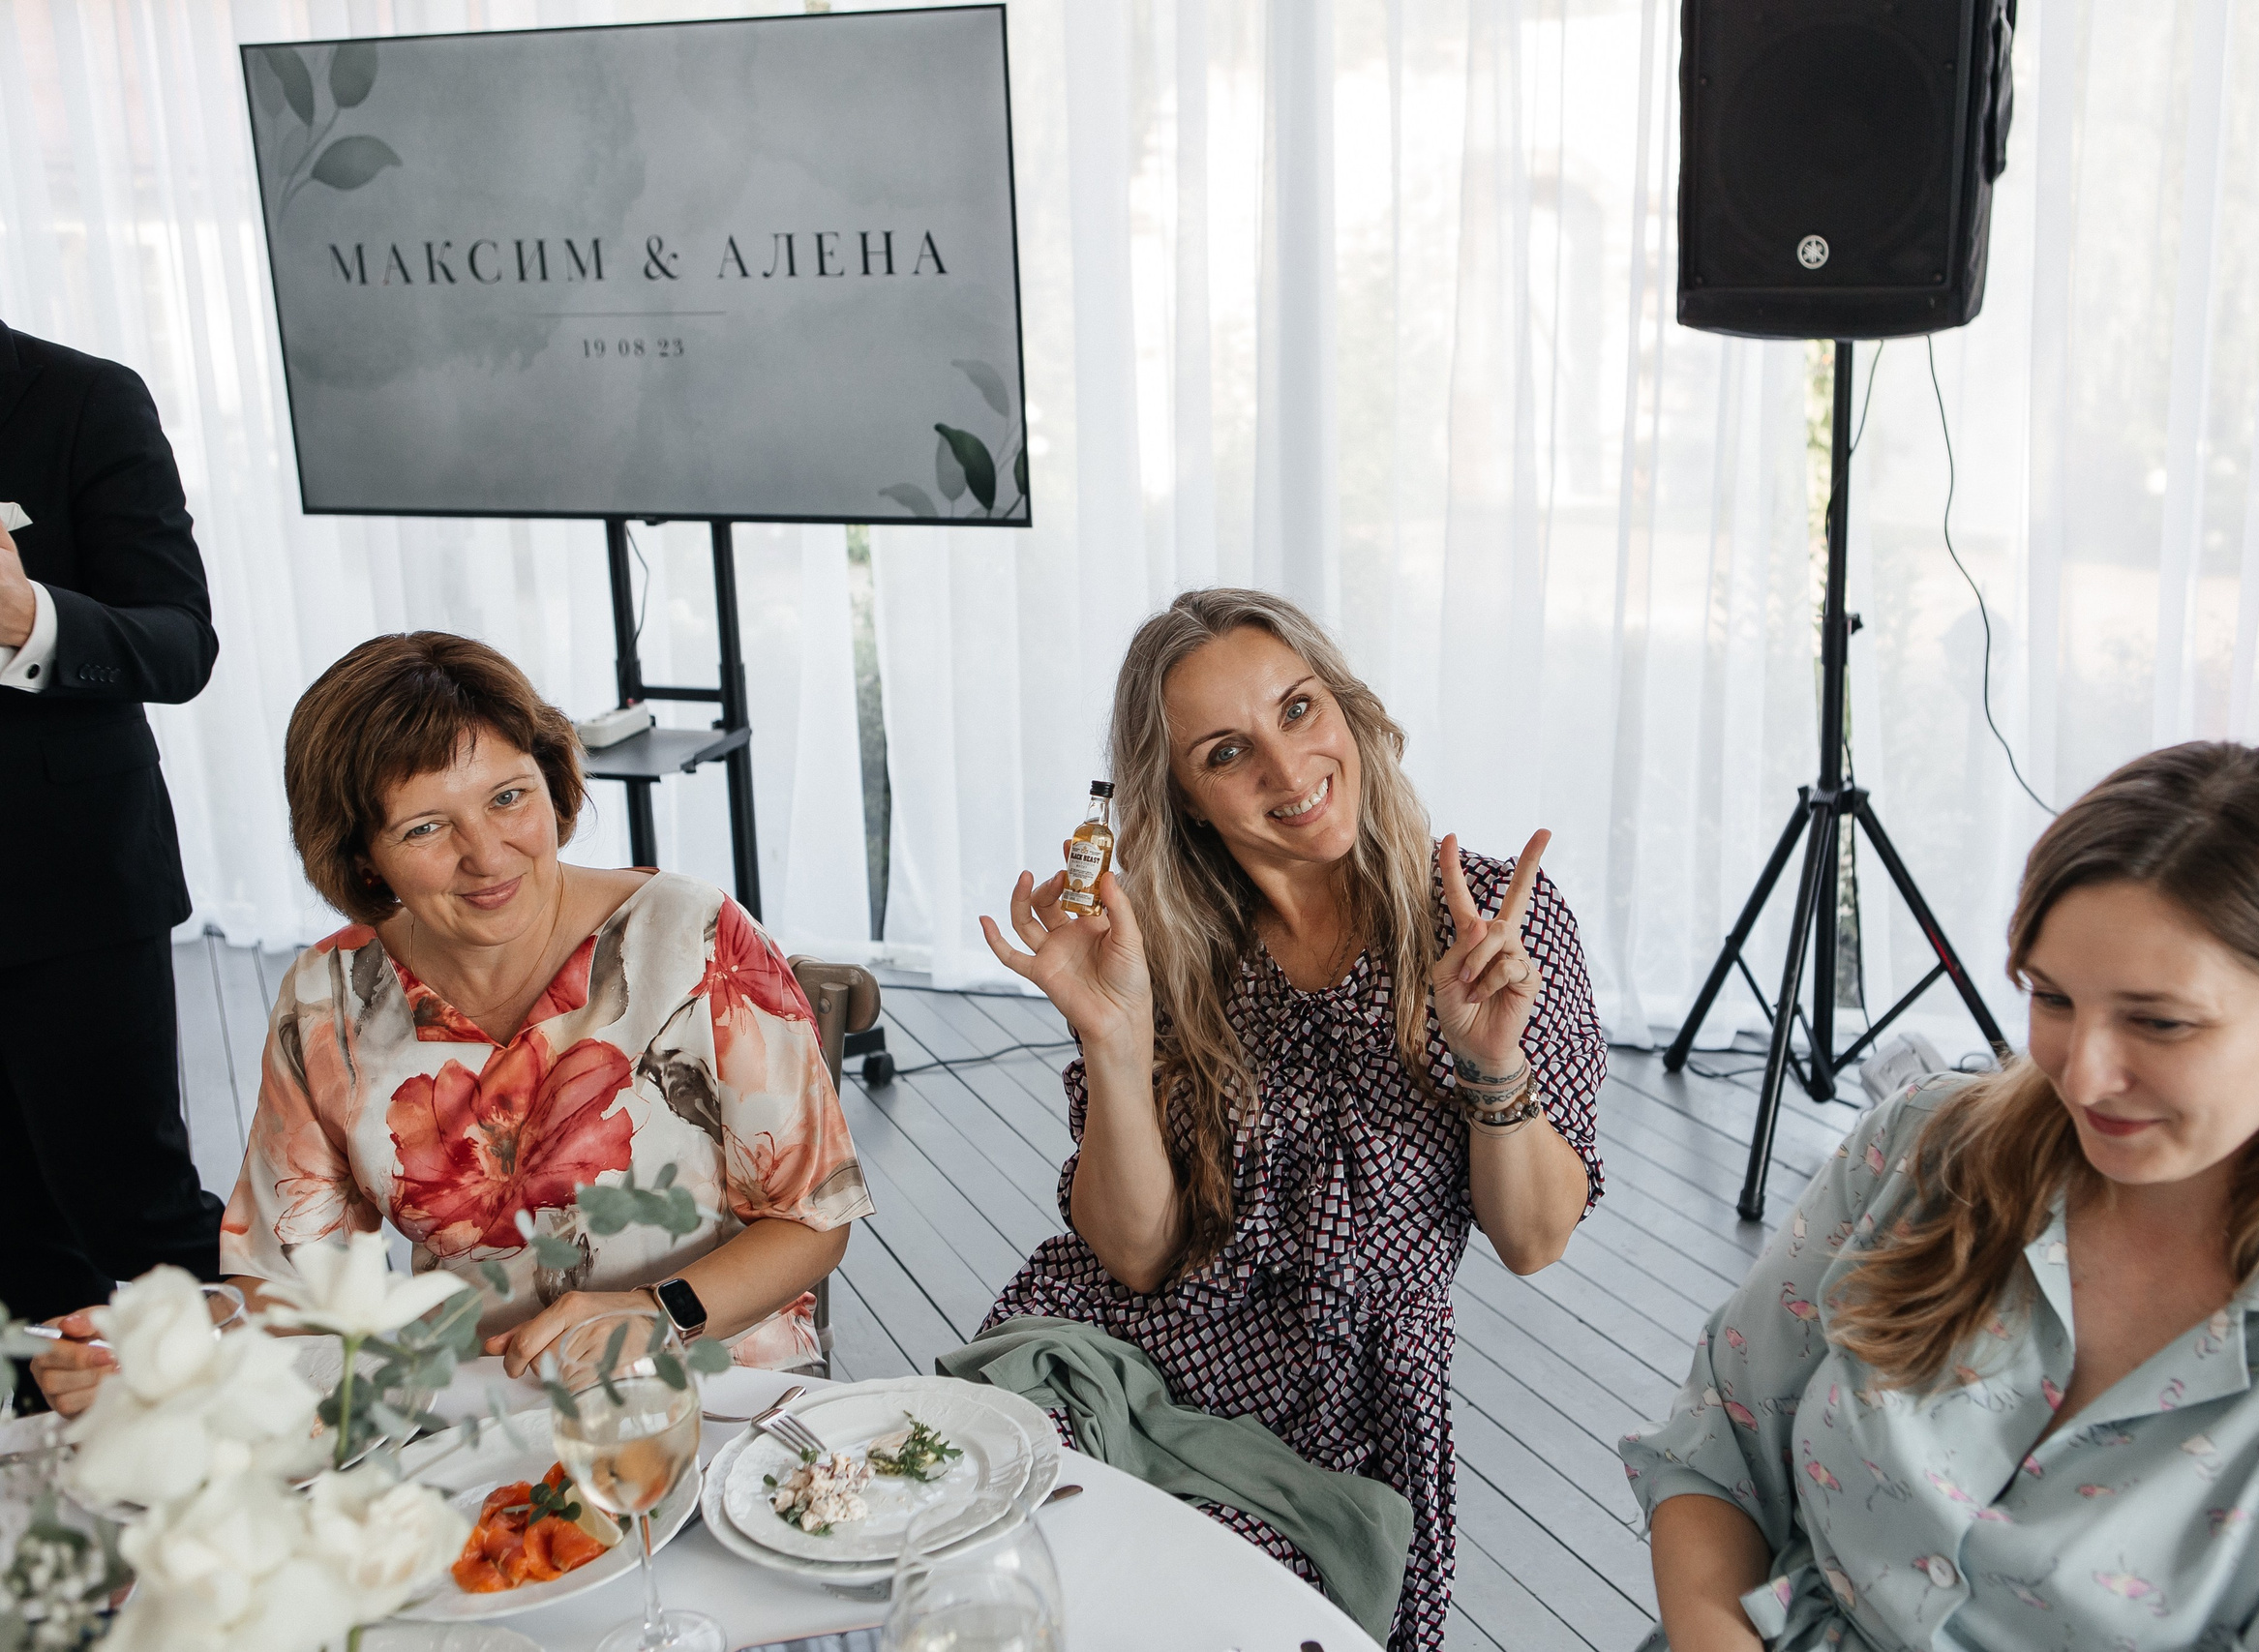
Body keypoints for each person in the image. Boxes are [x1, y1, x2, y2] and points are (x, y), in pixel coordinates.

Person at [1624, 742, 2259, 1651]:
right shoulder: (1923, 1147)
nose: (2085, 1073)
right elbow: (1718, 1442)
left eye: (2159, 1020)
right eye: (2053, 997)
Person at [977, 587, 1607, 1651]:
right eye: (1226, 752)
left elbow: (1534, 1240)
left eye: (1299, 710)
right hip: (1111, 1372)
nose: (1285, 770)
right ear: (1180, 796)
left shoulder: (1492, 921)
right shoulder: (1165, 950)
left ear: (1347, 709)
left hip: (1333, 1420)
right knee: (977, 1577)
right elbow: (1130, 1255)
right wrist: (1113, 1041)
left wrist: (1489, 1062)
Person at [33, 633, 873, 1414]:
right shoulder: (329, 998)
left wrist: (658, 1310)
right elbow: (288, 1284)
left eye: (508, 797)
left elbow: (813, 1218)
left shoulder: (692, 936)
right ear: (363, 854)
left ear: (550, 780)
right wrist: (165, 1347)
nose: (488, 853)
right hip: (479, 1410)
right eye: (427, 826)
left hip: (723, 1386)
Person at [0, 318, 226, 1368]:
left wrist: (28, 619)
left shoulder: (82, 397)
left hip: (66, 888)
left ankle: (242, 1451)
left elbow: (180, 641)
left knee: (135, 1215)